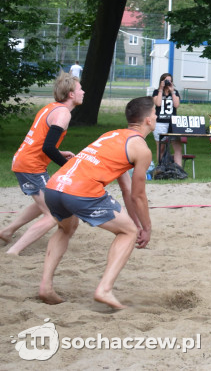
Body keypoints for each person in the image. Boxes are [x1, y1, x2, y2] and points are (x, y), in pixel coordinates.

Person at [38, 96, 155, 309]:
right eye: (155, 113)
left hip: (55, 186)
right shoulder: (142, 149)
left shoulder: (110, 135)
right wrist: (144, 228)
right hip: (80, 191)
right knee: (127, 232)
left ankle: (46, 286)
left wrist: (135, 223)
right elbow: (138, 195)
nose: (156, 117)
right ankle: (105, 290)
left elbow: (126, 189)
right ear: (148, 120)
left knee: (66, 228)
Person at [0, 73, 81, 255]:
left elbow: (41, 143)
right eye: (80, 89)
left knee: (44, 201)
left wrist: (60, 153)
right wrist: (67, 166)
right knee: (52, 214)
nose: (83, 92)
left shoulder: (51, 108)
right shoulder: (63, 113)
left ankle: (7, 231)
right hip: (30, 165)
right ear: (71, 94)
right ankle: (14, 251)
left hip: (25, 160)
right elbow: (48, 148)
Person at [152, 72, 182, 168]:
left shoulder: (175, 92)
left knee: (177, 147)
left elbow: (176, 105)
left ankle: (179, 169)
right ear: (161, 81)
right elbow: (158, 104)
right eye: (166, 80)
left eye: (169, 80)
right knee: (161, 147)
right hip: (160, 123)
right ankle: (161, 168)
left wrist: (172, 91)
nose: (168, 82)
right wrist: (161, 89)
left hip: (173, 123)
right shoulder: (156, 92)